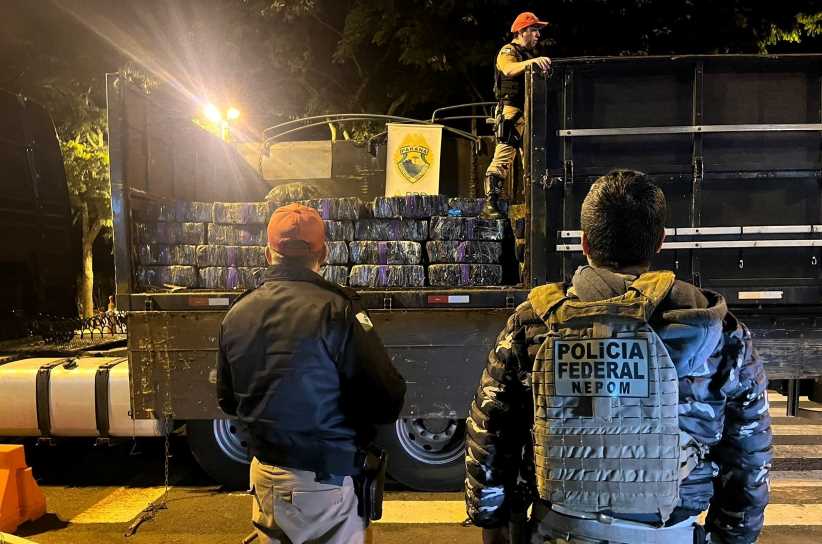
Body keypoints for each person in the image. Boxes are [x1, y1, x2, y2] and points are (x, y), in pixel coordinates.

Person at [465, 170, 772, 544]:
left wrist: (493, 522)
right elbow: (748, 455)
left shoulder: (534, 323)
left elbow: (491, 435)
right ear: (660, 241)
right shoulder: (716, 330)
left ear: (585, 244)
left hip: (558, 532)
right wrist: (732, 536)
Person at [218, 203, 406, 544]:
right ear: (324, 253)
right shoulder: (337, 310)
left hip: (264, 479)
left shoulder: (237, 313)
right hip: (325, 481)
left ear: (267, 252)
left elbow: (227, 399)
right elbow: (386, 399)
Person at [482, 11, 552, 220]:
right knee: (503, 157)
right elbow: (508, 69)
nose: (538, 34)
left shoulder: (528, 55)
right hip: (511, 112)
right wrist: (533, 63)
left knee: (530, 163)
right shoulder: (508, 51)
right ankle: (490, 204)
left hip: (528, 114)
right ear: (522, 31)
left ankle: (531, 207)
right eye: (534, 30)